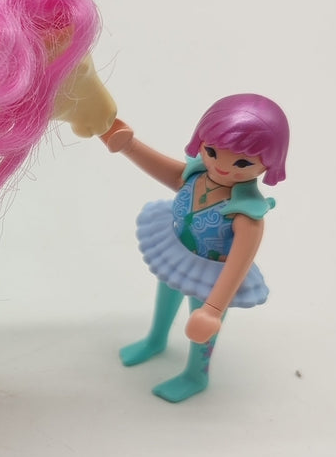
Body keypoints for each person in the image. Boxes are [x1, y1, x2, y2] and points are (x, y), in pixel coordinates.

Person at [100, 94, 289, 402]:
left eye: (242, 162)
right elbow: (164, 169)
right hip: (177, 251)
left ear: (270, 163)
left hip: (213, 274)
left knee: (200, 324)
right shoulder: (195, 175)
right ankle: (155, 340)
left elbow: (237, 266)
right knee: (166, 295)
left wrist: (213, 310)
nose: (222, 166)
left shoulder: (247, 214)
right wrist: (128, 145)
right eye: (212, 151)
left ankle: (196, 374)